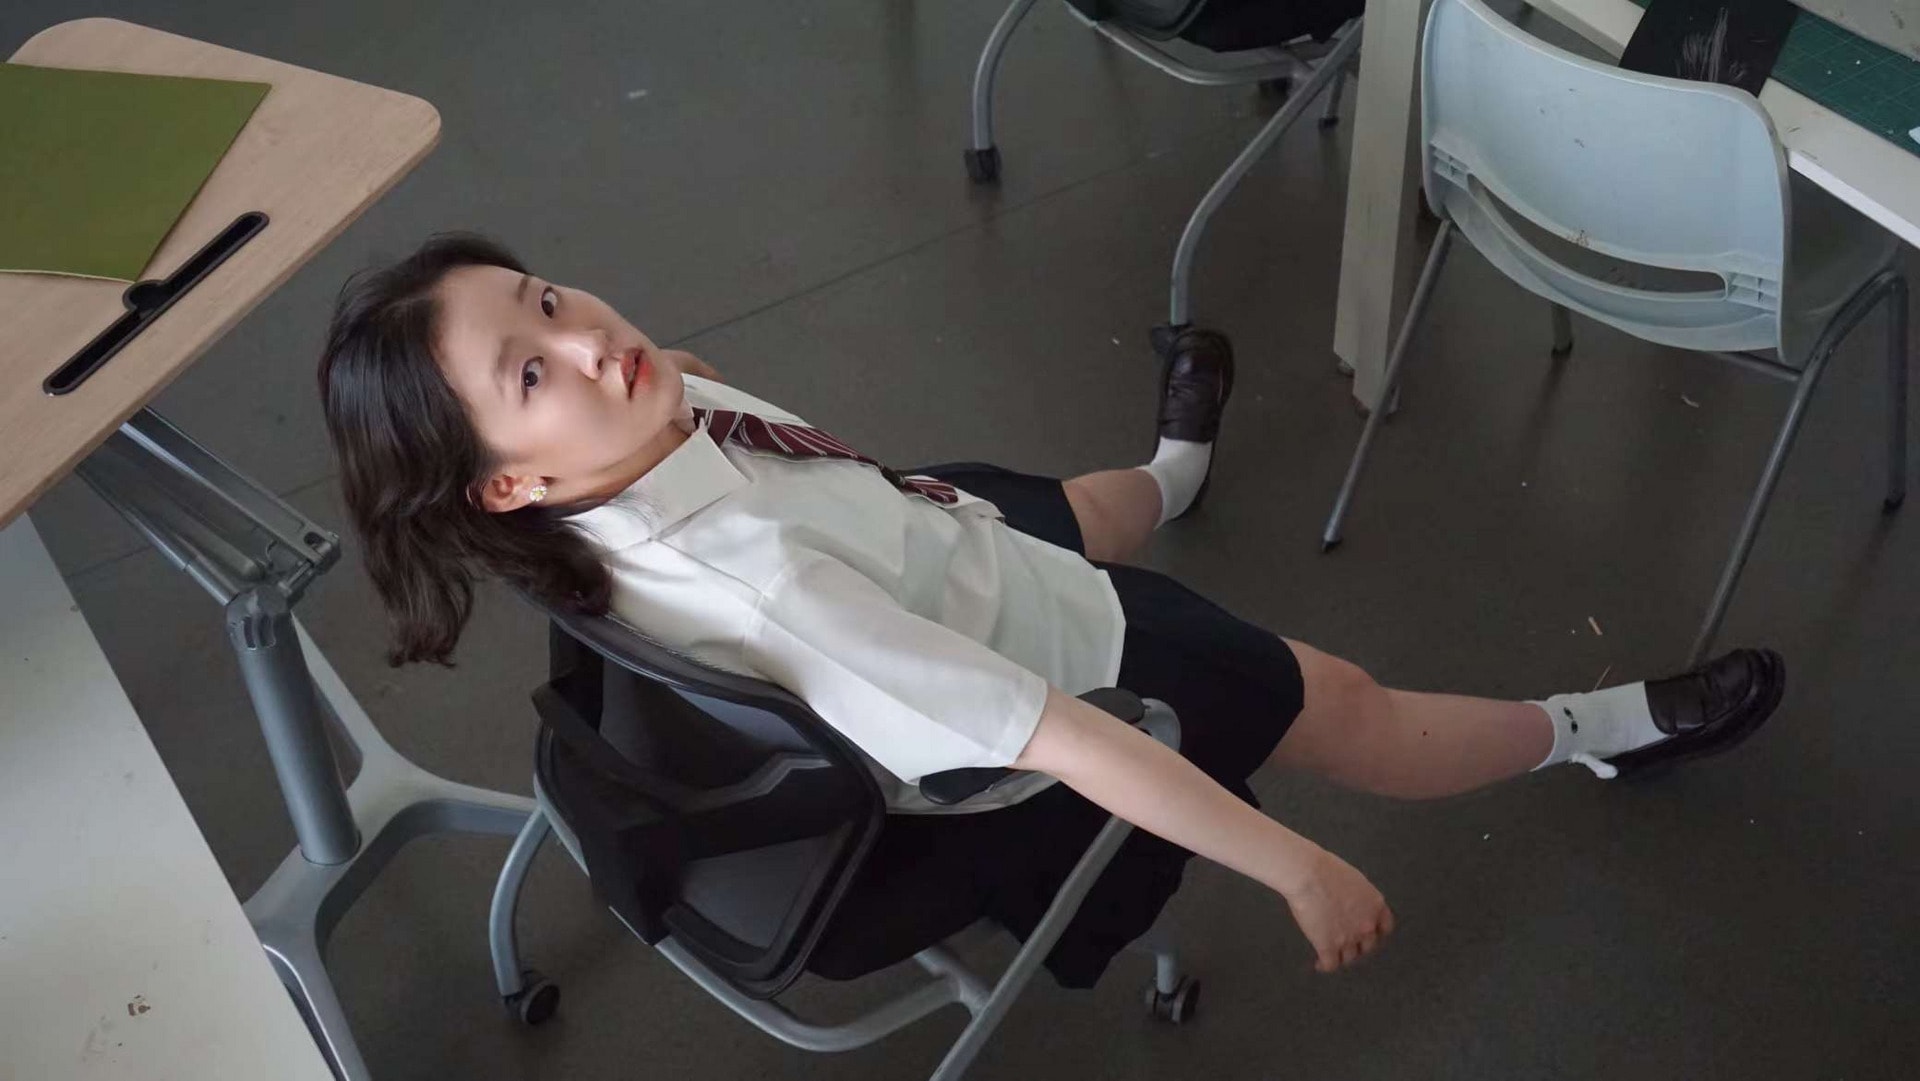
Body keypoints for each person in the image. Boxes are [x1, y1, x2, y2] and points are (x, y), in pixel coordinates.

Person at [317, 233, 1784, 985]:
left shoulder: (617, 456)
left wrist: (625, 379)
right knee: (1342, 702)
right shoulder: (774, 587)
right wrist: (1295, 867)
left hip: (915, 531)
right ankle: (1600, 726)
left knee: (1069, 503)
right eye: (527, 376)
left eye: (552, 300)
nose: (587, 346)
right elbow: (1066, 738)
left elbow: (676, 392)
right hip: (1040, 652)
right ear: (505, 488)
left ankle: (1176, 468)